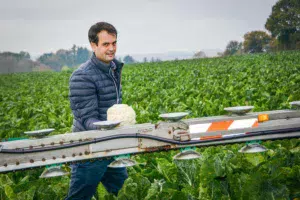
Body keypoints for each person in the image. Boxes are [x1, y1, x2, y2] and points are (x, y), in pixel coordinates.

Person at [66, 22, 127, 200]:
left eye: (114, 43)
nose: (111, 48)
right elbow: (87, 119)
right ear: (93, 45)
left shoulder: (113, 69)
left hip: (111, 146)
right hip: (89, 150)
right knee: (80, 197)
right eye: (106, 44)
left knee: (123, 192)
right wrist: (112, 125)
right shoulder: (83, 76)